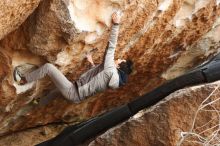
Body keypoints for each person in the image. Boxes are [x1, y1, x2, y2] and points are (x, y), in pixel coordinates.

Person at [13, 12, 133, 104]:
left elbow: (111, 47)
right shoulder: (113, 77)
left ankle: (23, 80)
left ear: (118, 66)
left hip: (73, 91)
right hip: (76, 96)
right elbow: (98, 78)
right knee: (56, 91)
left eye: (119, 60)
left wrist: (116, 24)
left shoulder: (110, 69)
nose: (117, 58)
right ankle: (39, 103)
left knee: (48, 68)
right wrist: (91, 63)